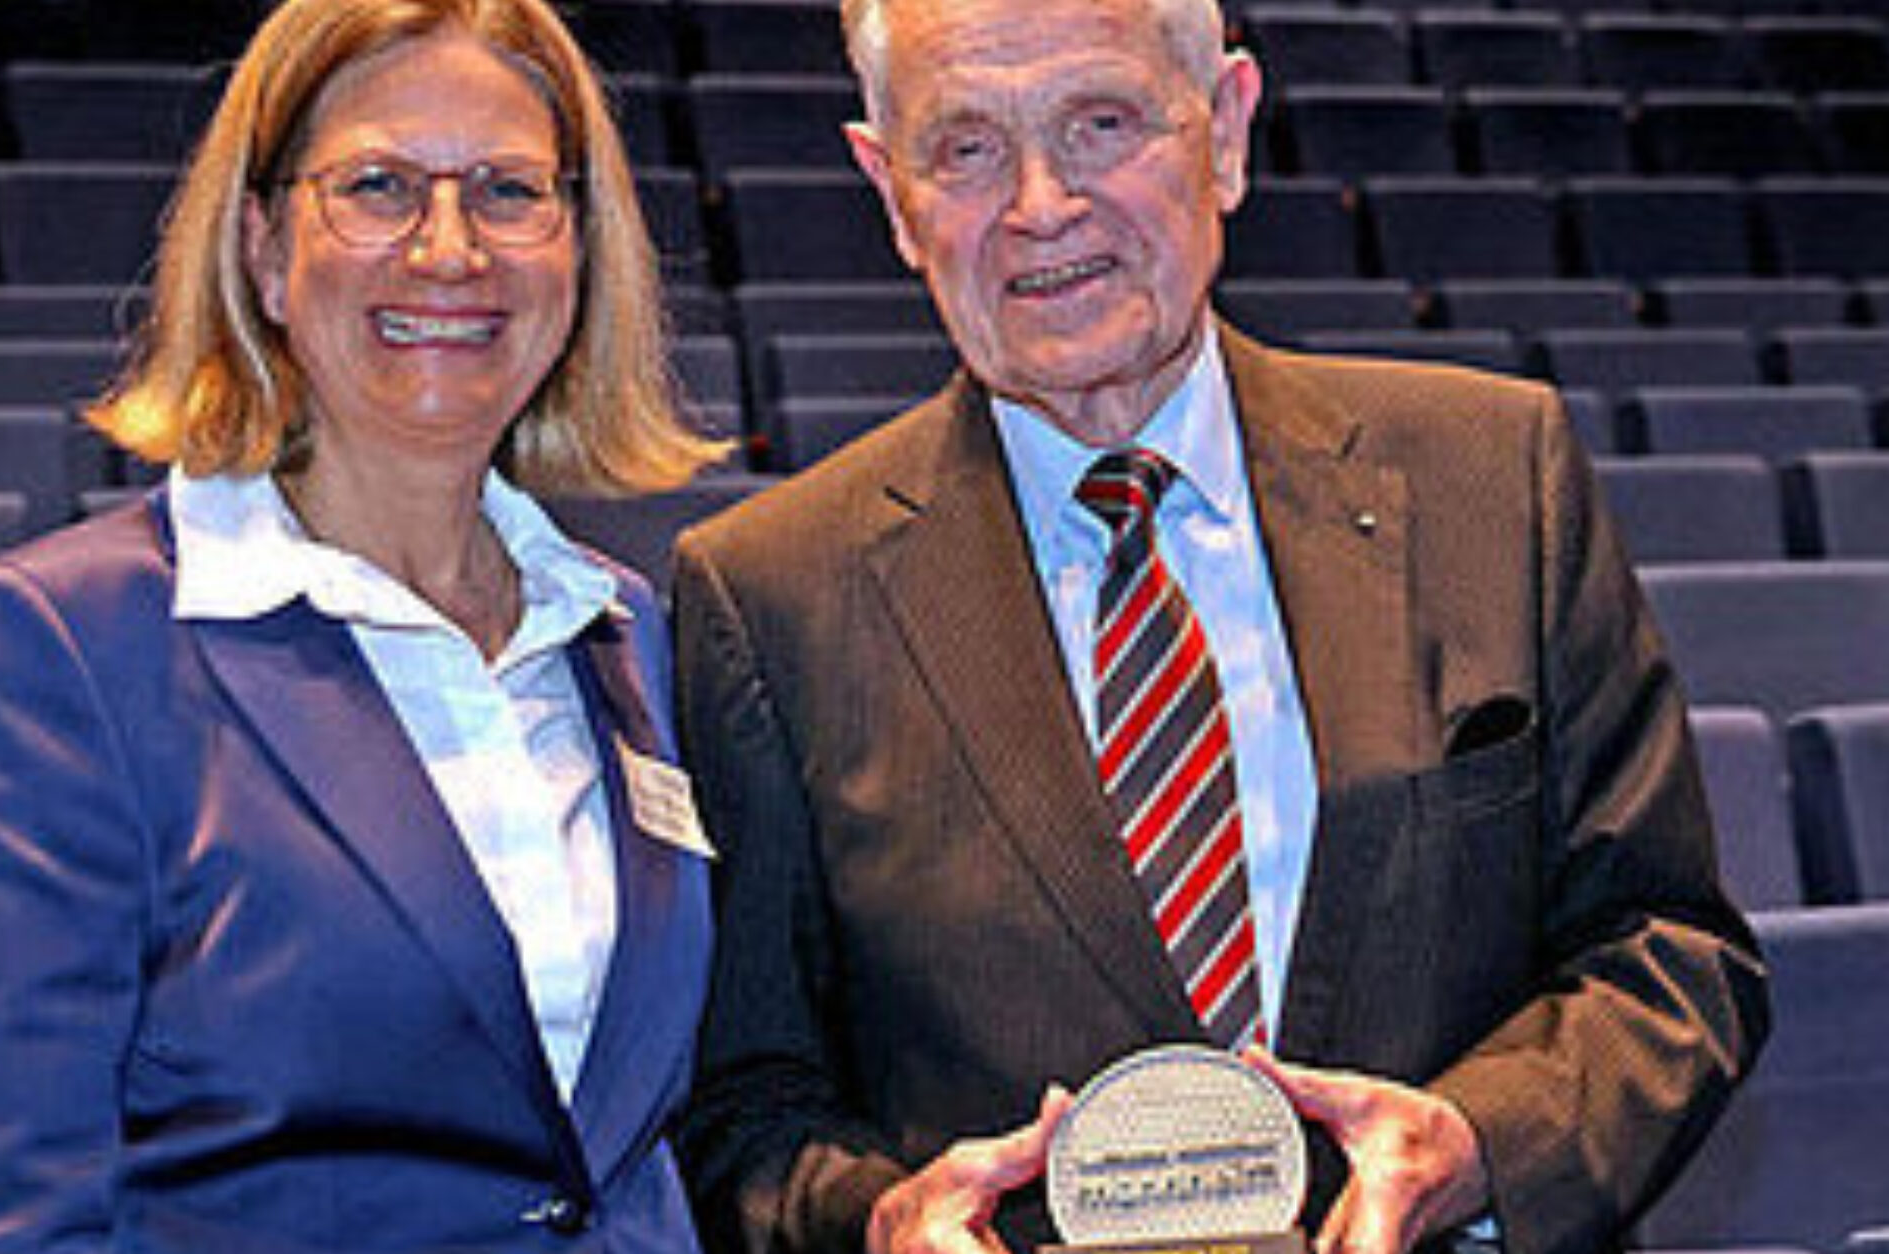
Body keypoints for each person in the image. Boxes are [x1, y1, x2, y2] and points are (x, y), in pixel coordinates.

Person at [667, 0, 1770, 1251]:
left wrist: (1479, 1146)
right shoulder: (766, 594)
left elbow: (1668, 954)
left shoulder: (1493, 474)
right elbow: (746, 1112)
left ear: (1228, 131)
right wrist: (877, 1225)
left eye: (1102, 123)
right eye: (966, 147)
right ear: (889, 189)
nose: (1042, 205)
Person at [0, 0, 726, 1249]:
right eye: (378, 186)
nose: (450, 250)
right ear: (267, 248)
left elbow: (626, 1162)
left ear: (580, 252)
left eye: (508, 192)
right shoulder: (53, 648)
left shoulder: (621, 630)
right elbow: (4, 1221)